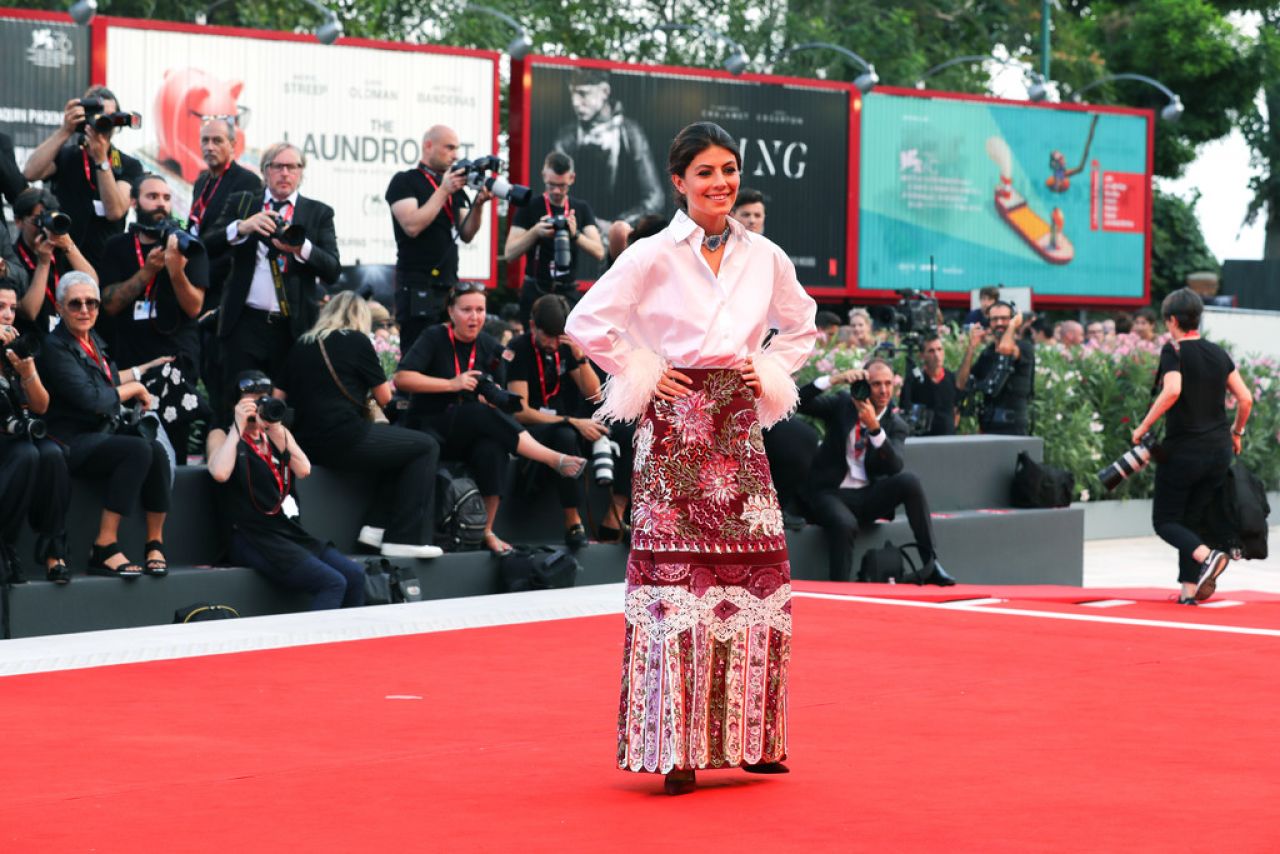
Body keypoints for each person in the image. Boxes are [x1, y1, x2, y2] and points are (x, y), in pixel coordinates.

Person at [566, 121, 817, 795]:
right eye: (705, 172)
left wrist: (767, 370)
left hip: (738, 427)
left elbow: (803, 324)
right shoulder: (651, 253)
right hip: (675, 426)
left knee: (755, 585)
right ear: (679, 182)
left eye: (729, 169)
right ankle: (671, 747)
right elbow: (584, 323)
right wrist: (642, 368)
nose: (721, 183)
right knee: (674, 592)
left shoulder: (765, 255)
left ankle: (754, 741)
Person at [394, 283, 586, 555]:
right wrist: (452, 384)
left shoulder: (487, 344)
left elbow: (500, 389)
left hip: (467, 428)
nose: (474, 317)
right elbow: (402, 378)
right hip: (431, 422)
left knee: (492, 448)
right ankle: (552, 458)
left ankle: (485, 530)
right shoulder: (434, 336)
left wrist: (494, 393)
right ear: (451, 311)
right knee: (482, 414)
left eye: (480, 310)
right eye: (467, 310)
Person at [278, 291, 443, 560]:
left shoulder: (302, 344)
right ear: (361, 316)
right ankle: (403, 538)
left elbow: (278, 398)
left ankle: (374, 528)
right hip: (345, 436)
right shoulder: (356, 341)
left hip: (307, 445)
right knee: (425, 446)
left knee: (397, 449)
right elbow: (385, 397)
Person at [35, 272, 171, 578]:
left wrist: (140, 374)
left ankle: (154, 542)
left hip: (100, 434)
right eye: (76, 304)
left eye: (92, 303)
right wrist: (134, 388)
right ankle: (104, 546)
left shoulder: (94, 340)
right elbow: (91, 399)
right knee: (137, 450)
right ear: (59, 307)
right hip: (68, 439)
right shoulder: (54, 347)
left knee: (156, 451)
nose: (85, 310)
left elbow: (105, 383)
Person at [1131, 288, 1252, 605]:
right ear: (1198, 317)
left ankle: (1208, 556)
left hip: (1184, 451)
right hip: (1218, 451)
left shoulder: (1174, 351)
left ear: (1171, 321)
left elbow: (1172, 390)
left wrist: (1143, 426)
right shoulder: (1218, 353)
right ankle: (1189, 592)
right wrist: (1237, 432)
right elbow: (1245, 398)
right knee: (1192, 519)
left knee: (1166, 521)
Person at [207, 371, 365, 610]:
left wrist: (275, 429)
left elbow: (303, 469)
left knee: (354, 575)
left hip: (288, 531)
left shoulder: (275, 433)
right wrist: (238, 428)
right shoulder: (221, 434)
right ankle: (316, 647)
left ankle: (350, 643)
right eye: (252, 399)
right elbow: (220, 472)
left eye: (264, 399)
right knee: (331, 582)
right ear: (235, 403)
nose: (259, 405)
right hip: (252, 536)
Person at [204, 141, 340, 409]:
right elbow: (207, 243)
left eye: (292, 167)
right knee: (237, 400)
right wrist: (243, 227)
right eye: (278, 166)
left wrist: (301, 247)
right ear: (265, 171)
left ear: (302, 172)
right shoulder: (244, 203)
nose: (285, 173)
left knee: (287, 406)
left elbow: (332, 269)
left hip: (292, 326)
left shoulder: (318, 212)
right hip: (244, 322)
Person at [800, 359, 955, 586]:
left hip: (868, 495)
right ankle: (839, 589)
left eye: (888, 384)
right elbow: (798, 403)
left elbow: (895, 466)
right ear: (864, 385)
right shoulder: (844, 405)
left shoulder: (896, 424)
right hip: (831, 492)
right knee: (845, 524)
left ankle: (931, 563)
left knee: (910, 481)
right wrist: (835, 379)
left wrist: (874, 428)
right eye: (876, 384)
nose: (884, 391)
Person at [98, 174, 210, 459]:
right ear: (135, 201)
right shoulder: (117, 246)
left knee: (175, 443)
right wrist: (146, 272)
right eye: (152, 196)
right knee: (136, 441)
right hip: (131, 359)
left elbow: (194, 307)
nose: (161, 203)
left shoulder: (189, 246)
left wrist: (175, 270)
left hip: (176, 359)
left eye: (166, 197)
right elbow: (108, 305)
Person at [504, 293, 603, 548]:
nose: (551, 343)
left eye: (557, 338)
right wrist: (570, 421)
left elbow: (595, 395)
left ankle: (616, 518)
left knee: (614, 432)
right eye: (546, 336)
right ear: (532, 326)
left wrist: (580, 357)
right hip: (531, 429)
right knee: (566, 435)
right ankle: (573, 521)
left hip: (562, 422)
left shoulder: (565, 349)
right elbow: (520, 411)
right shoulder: (519, 348)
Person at [385, 126, 492, 353]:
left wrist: (479, 205)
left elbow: (467, 233)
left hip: (448, 285)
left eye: (457, 149)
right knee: (417, 354)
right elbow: (412, 226)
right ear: (428, 146)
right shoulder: (405, 181)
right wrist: (443, 191)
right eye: (449, 147)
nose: (455, 155)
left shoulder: (454, 188)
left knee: (447, 355)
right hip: (416, 284)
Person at [187, 118, 262, 419]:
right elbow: (197, 229)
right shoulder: (202, 181)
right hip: (197, 285)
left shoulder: (246, 182)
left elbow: (226, 241)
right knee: (204, 367)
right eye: (205, 140)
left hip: (225, 291)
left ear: (233, 145)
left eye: (217, 140)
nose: (209, 147)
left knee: (222, 373)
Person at [21, 87, 144, 267]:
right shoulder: (67, 156)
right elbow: (30, 173)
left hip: (106, 262)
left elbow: (115, 211)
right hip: (62, 256)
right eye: (99, 115)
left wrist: (102, 159)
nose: (103, 121)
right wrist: (65, 130)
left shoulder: (128, 164)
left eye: (110, 116)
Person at [0, 285, 71, 583]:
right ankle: (6, 545)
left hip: (16, 435)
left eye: (12, 308)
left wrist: (27, 370)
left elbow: (41, 405)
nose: (7, 315)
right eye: (0, 306)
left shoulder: (14, 350)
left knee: (53, 454)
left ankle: (52, 547)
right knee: (27, 454)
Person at [503, 151, 605, 328]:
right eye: (551, 185)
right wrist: (536, 231)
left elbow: (599, 251)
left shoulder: (580, 208)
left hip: (567, 290)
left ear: (572, 178)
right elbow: (509, 253)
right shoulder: (530, 206)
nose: (556, 191)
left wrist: (575, 235)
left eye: (562, 186)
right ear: (543, 176)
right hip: (535, 288)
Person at [553, 68, 664, 226]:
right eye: (572, 93)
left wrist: (619, 225)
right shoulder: (567, 136)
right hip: (581, 235)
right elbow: (554, 191)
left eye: (583, 93)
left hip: (625, 237)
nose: (575, 102)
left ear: (604, 91)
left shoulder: (630, 132)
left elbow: (655, 197)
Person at [11, 188, 96, 337]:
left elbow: (92, 283)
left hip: (66, 339)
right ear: (19, 221)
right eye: (37, 220)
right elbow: (29, 311)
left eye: (47, 219)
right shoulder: (11, 257)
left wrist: (69, 246)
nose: (43, 227)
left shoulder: (61, 251)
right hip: (33, 338)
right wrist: (43, 263)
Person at [956, 300, 1034, 435]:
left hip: (1013, 428)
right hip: (988, 427)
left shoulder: (1023, 347)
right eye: (994, 319)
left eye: (1004, 319)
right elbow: (960, 383)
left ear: (1012, 320)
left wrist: (1013, 325)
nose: (999, 323)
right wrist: (971, 347)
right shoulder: (987, 353)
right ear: (989, 322)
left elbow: (1005, 349)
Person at [900, 332, 958, 436]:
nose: (937, 355)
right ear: (922, 355)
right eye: (931, 351)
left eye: (939, 349)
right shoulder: (914, 381)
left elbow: (957, 409)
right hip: (923, 441)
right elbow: (905, 409)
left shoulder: (951, 378)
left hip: (948, 439)